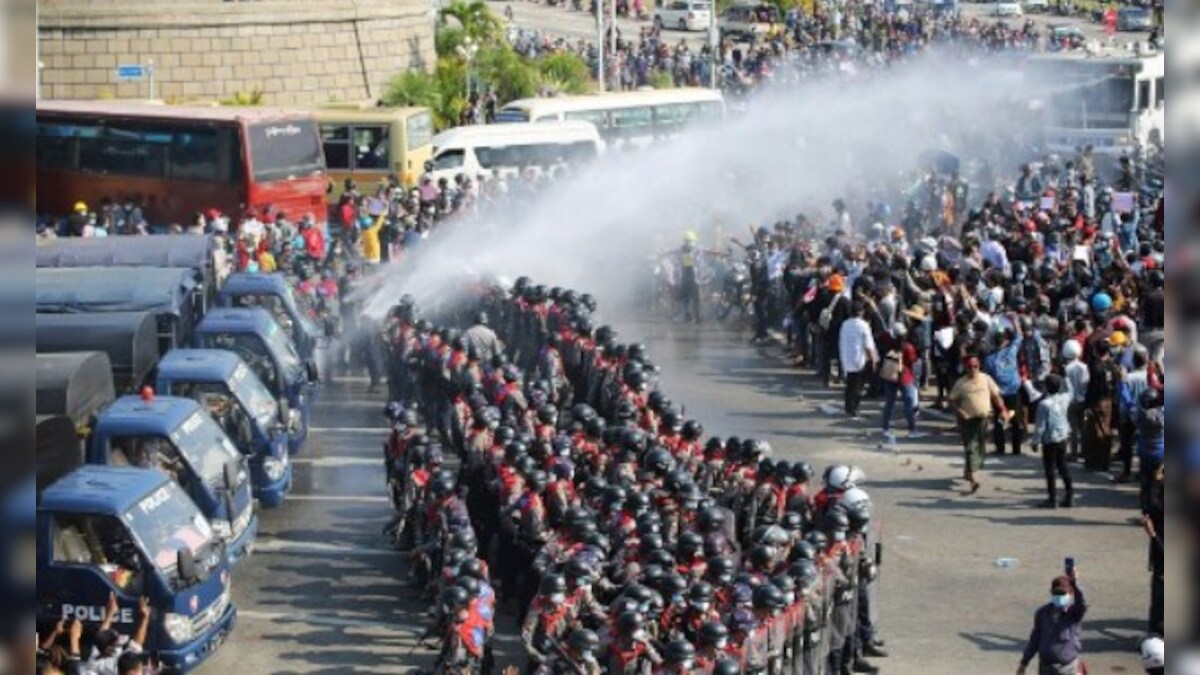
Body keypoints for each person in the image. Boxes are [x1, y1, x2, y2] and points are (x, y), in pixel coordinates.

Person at [948, 355, 1011, 494]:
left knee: (980, 449)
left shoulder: (986, 378)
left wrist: (1003, 410)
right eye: (970, 367)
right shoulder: (961, 383)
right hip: (967, 421)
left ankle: (968, 471)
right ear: (965, 367)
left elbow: (996, 396)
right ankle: (974, 480)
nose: (973, 369)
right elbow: (951, 400)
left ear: (979, 366)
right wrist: (960, 412)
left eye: (975, 366)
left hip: (983, 420)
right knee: (971, 448)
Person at [1017, 570, 1088, 675]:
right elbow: (1034, 640)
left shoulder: (1074, 613)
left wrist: (1074, 582)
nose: (1059, 597)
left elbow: (1083, 602)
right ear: (1051, 592)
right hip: (1046, 668)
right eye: (1056, 593)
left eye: (1062, 593)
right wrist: (1024, 663)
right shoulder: (1042, 613)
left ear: (1070, 593)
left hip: (1068, 668)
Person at [1031, 374, 1074, 508]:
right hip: (1063, 436)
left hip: (1050, 440)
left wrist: (1035, 441)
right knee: (1063, 467)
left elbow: (1040, 426)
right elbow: (1071, 391)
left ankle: (1052, 498)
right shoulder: (1064, 398)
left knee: (1050, 470)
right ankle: (1069, 494)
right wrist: (1066, 377)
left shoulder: (1044, 404)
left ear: (1046, 387)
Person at [879, 322, 920, 445]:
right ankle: (912, 429)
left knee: (889, 403)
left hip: (890, 376)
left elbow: (884, 334)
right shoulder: (908, 347)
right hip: (905, 377)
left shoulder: (888, 342)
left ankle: (885, 427)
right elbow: (912, 362)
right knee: (909, 404)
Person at [838, 301, 877, 419]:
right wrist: (874, 359)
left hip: (846, 358)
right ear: (861, 312)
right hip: (859, 359)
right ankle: (854, 408)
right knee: (858, 386)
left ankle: (848, 407)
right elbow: (869, 345)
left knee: (850, 384)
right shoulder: (863, 325)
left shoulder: (845, 324)